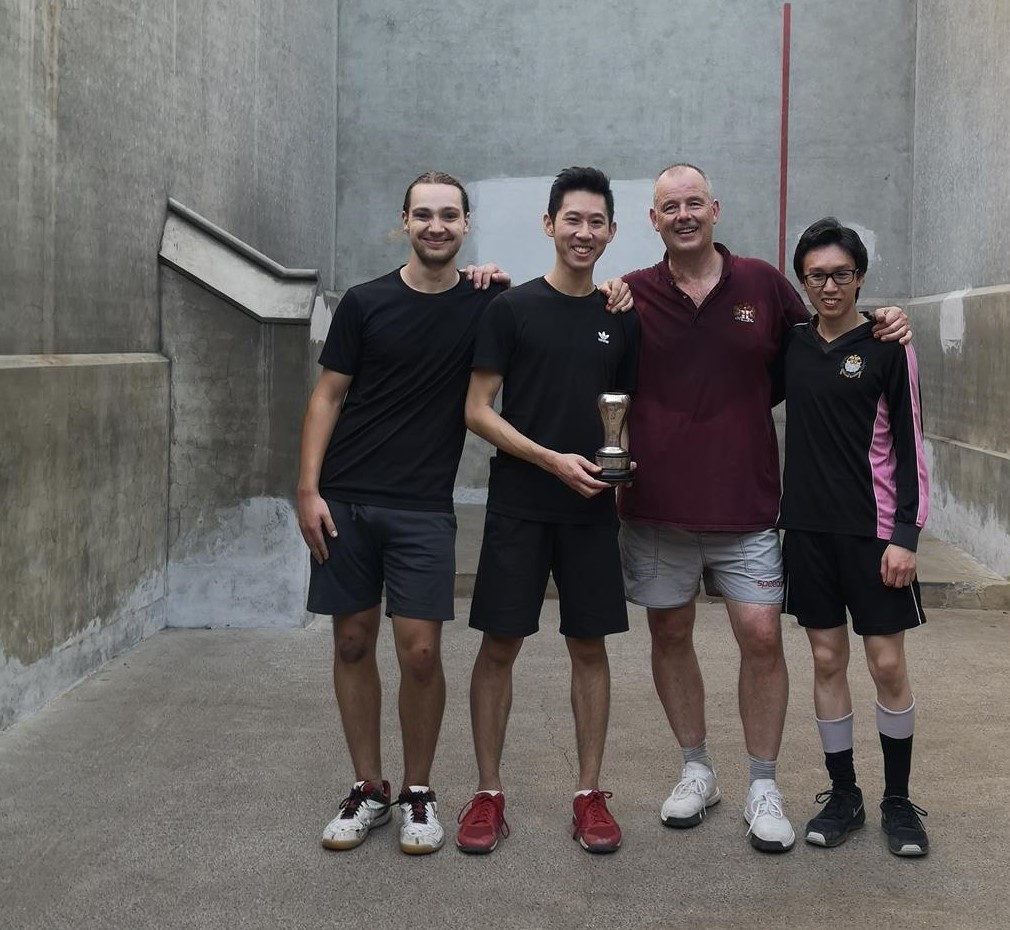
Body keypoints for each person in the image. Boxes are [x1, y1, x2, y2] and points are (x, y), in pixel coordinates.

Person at [298, 171, 630, 855]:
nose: (436, 226)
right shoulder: (388, 303)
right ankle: (396, 790)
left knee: (426, 651)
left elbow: (618, 389)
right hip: (369, 500)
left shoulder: (509, 304)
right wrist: (307, 491)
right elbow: (334, 397)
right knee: (356, 642)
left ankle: (447, 792)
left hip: (441, 505)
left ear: (466, 223)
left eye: (449, 215)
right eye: (424, 214)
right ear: (405, 221)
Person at [617, 164, 911, 852]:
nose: (683, 214)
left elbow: (827, 340)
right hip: (655, 507)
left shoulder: (763, 286)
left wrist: (885, 318)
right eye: (669, 206)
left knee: (760, 635)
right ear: (653, 219)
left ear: (714, 210)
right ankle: (696, 771)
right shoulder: (627, 294)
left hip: (747, 504)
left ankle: (761, 782)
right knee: (668, 635)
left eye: (694, 203)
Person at [457, 167, 639, 856]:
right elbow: (476, 410)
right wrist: (550, 460)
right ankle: (487, 794)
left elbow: (624, 413)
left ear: (611, 232)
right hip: (521, 505)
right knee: (499, 645)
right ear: (549, 224)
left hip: (592, 509)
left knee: (587, 647)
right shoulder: (510, 310)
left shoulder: (620, 318)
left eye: (596, 223)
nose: (583, 233)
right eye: (572, 220)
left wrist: (623, 462)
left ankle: (589, 795)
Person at [780, 217, 930, 857]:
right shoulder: (789, 344)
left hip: (875, 537)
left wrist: (906, 536)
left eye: (842, 274)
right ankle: (844, 795)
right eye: (818, 276)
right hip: (808, 534)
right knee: (825, 659)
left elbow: (911, 442)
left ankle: (899, 801)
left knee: (887, 662)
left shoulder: (889, 346)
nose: (831, 286)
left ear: (860, 277)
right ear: (803, 282)